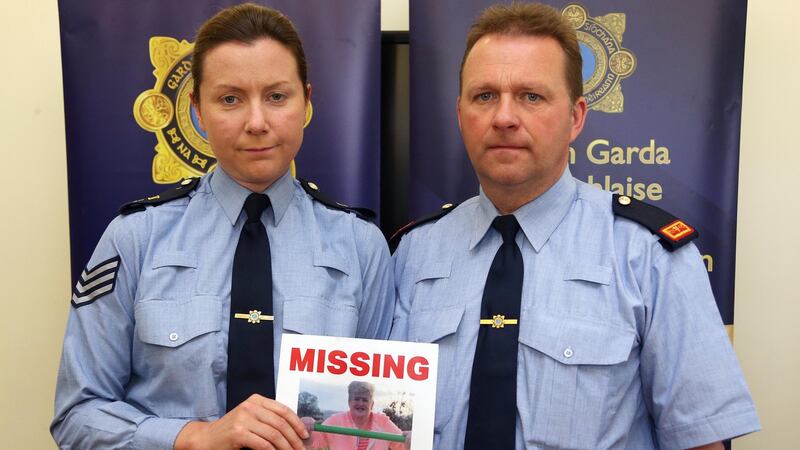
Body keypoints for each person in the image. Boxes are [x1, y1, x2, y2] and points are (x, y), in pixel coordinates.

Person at [389, 3, 759, 449]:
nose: (504, 117)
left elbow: (699, 441)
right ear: (460, 113)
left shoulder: (648, 255)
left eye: (532, 96)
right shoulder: (413, 252)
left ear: (576, 117)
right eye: (484, 95)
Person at [51, 4, 394, 450]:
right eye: (230, 98)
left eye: (277, 96)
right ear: (197, 108)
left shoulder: (361, 246)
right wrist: (192, 437)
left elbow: (385, 405)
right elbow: (76, 415)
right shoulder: (135, 237)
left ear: (306, 101)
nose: (256, 122)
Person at [301, 381, 410, 450]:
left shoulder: (383, 422)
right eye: (357, 399)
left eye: (365, 400)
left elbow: (403, 446)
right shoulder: (335, 421)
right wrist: (306, 430)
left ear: (371, 404)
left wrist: (413, 439)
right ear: (349, 402)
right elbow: (313, 445)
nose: (361, 403)